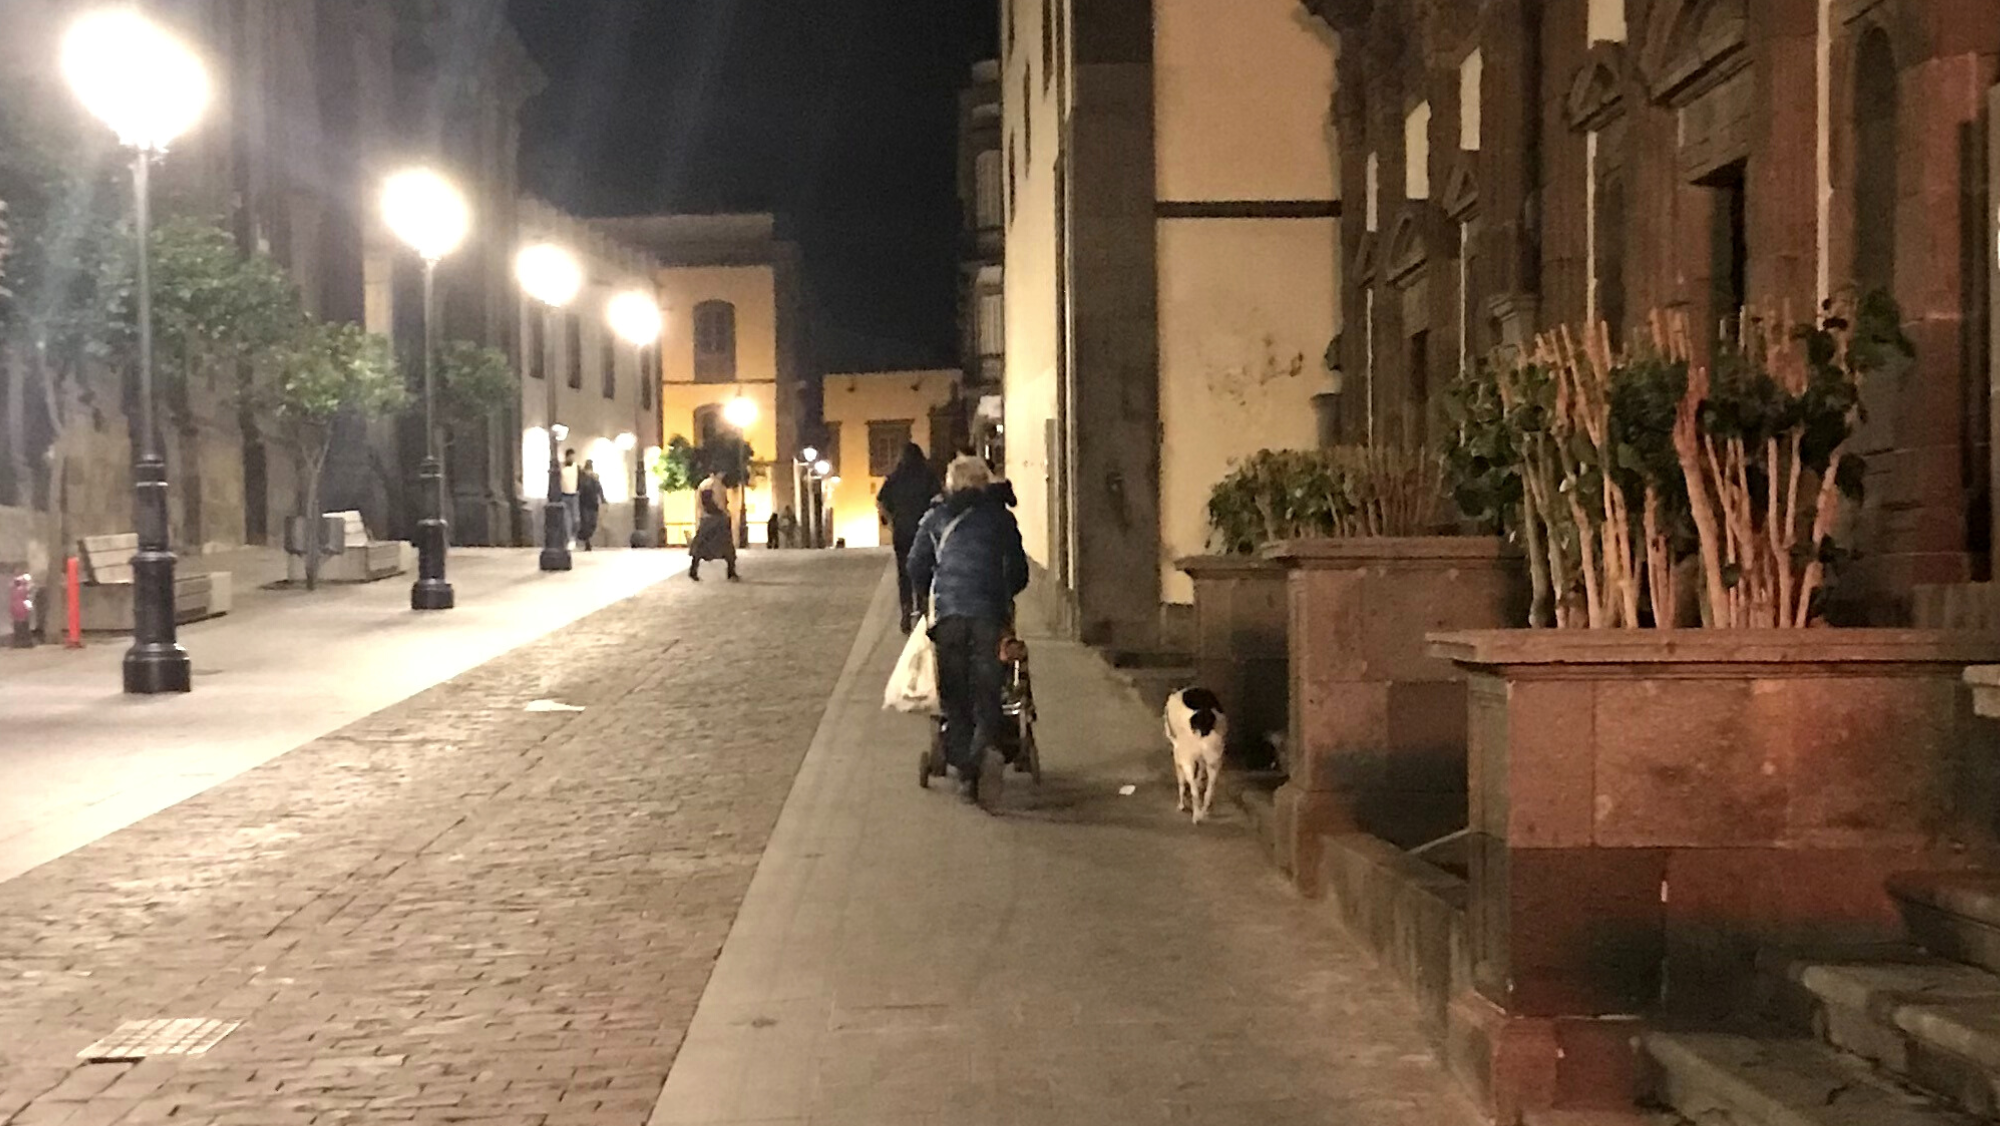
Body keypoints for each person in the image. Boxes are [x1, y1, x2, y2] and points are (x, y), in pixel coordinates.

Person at [907, 455, 1028, 808]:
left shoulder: (935, 517)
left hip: (948, 619)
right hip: (989, 616)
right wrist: (1002, 595)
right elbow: (1019, 570)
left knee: (955, 695)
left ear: (951, 484)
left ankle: (965, 770)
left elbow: (916, 565)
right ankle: (983, 753)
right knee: (989, 690)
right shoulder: (1001, 519)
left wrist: (935, 593)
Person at [876, 443, 942, 633]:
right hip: (924, 531)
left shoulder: (895, 477)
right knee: (925, 568)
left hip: (902, 531)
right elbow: (938, 499)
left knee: (903, 572)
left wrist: (890, 520)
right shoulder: (928, 476)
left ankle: (905, 611)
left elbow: (881, 501)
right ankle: (922, 607)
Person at [688, 471, 739, 582]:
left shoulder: (703, 484)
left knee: (700, 547)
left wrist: (701, 515)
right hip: (718, 518)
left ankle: (693, 570)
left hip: (706, 518)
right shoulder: (718, 485)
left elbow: (699, 503)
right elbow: (720, 503)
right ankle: (731, 572)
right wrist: (725, 513)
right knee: (727, 547)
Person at [576, 460, 604, 550]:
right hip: (585, 503)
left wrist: (602, 499)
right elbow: (578, 488)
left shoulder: (594, 478)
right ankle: (587, 542)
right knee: (586, 523)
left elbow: (599, 489)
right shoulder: (582, 477)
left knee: (592, 523)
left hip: (592, 503)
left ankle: (582, 536)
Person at [559, 449, 581, 548]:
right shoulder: (561, 468)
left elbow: (581, 479)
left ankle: (574, 537)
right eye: (570, 456)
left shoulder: (577, 467)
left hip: (574, 495)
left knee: (576, 519)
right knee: (567, 519)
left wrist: (579, 490)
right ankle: (569, 539)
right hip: (564, 495)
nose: (572, 458)